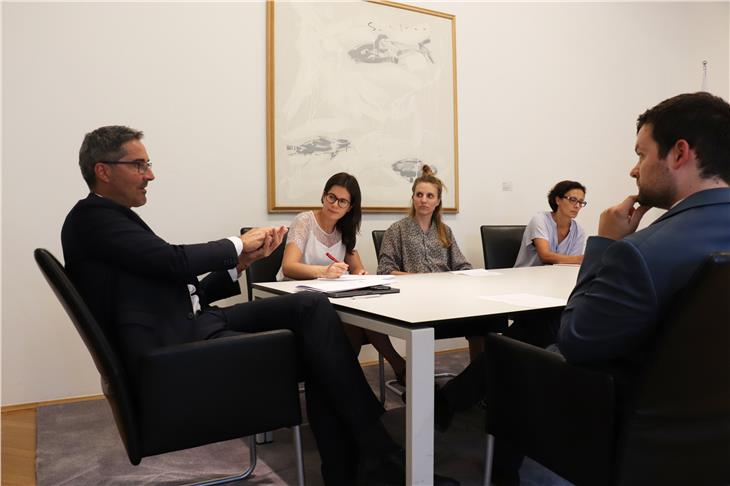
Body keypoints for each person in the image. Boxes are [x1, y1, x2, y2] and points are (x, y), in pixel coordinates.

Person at [61, 126, 430, 486]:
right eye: (140, 165)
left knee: (312, 308)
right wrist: (236, 244)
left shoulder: (113, 221)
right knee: (320, 352)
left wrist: (240, 265)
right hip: (173, 351)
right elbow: (173, 261)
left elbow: (177, 289)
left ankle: (359, 462)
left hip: (191, 323)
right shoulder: (91, 219)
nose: (150, 174)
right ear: (103, 170)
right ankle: (379, 454)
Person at [435, 92, 730, 485]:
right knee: (534, 331)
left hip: (621, 423)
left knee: (510, 351)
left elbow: (577, 342)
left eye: (641, 154)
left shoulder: (642, 253)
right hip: (707, 427)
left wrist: (606, 246)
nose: (633, 169)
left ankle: (502, 473)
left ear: (679, 154)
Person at [279, 172, 407, 386]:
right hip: (296, 298)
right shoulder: (304, 221)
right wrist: (323, 271)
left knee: (364, 315)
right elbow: (288, 266)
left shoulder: (344, 229)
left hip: (331, 299)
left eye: (342, 201)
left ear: (350, 207)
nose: (335, 204)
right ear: (323, 196)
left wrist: (360, 275)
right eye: (331, 197)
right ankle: (394, 367)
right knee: (353, 324)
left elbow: (357, 268)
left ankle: (344, 379)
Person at [377, 165, 488, 360]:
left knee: (483, 321)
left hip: (447, 296)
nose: (423, 200)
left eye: (429, 196)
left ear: (437, 201)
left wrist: (466, 276)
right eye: (419, 195)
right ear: (413, 198)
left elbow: (462, 265)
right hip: (414, 300)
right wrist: (420, 279)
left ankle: (477, 378)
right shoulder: (397, 230)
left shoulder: (445, 231)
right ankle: (418, 383)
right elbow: (385, 271)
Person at [513, 180, 587, 267]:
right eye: (573, 200)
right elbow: (545, 256)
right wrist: (581, 259)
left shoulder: (579, 231)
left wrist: (579, 260)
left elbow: (572, 265)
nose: (577, 206)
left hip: (556, 277)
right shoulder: (540, 220)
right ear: (558, 200)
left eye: (581, 202)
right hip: (525, 276)